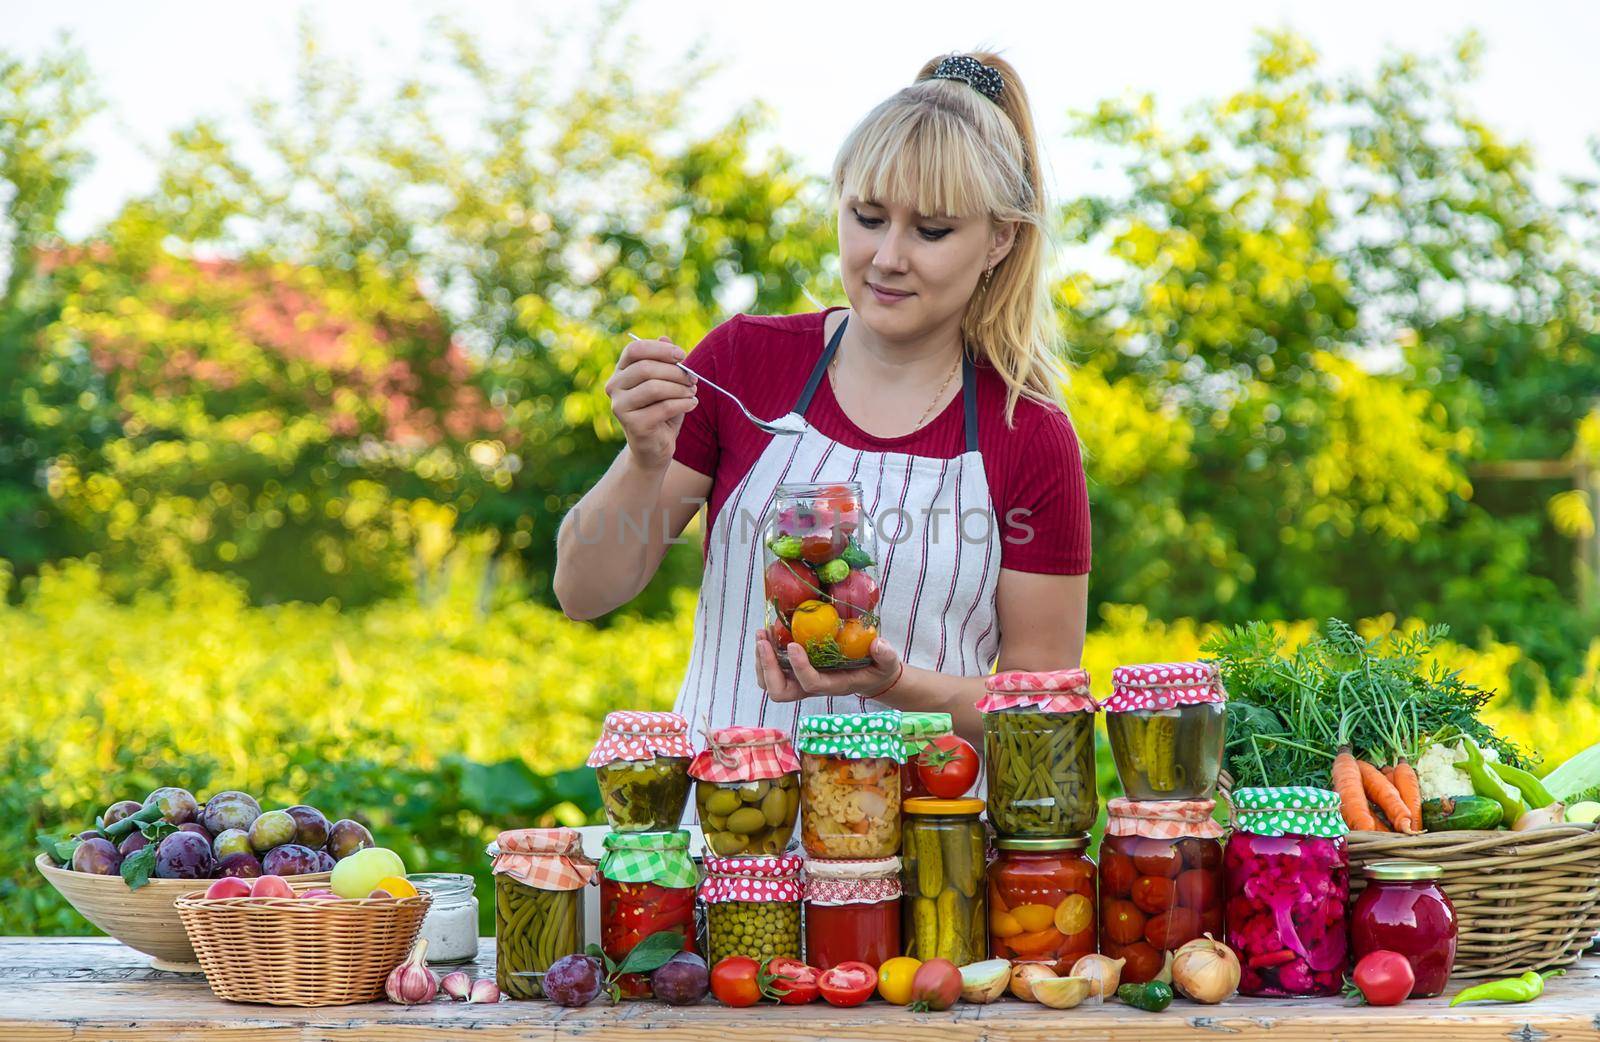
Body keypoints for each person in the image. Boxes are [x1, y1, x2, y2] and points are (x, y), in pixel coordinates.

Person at [554, 52, 1090, 745]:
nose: (888, 257)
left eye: (931, 232)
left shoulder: (1028, 432)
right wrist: (645, 458)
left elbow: (1042, 718)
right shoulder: (744, 364)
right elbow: (583, 592)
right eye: (867, 217)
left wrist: (891, 683)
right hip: (729, 832)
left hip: (925, 844)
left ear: (999, 240)